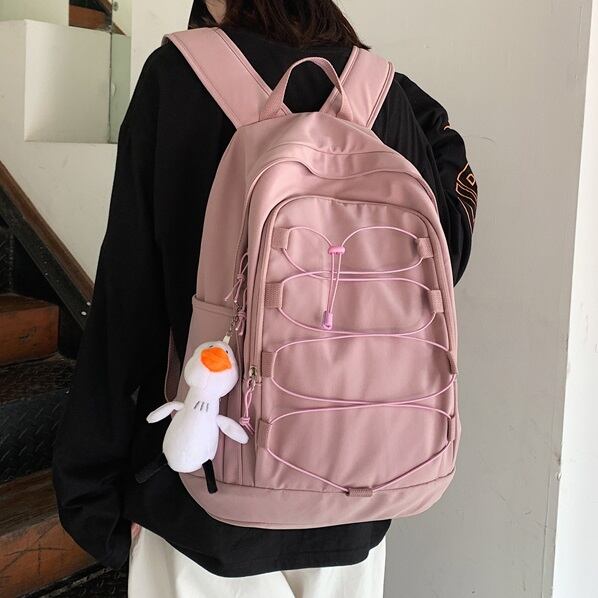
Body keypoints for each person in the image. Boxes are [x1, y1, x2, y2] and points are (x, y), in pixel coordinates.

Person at [52, 1, 478, 596]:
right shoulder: (382, 91)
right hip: (363, 491)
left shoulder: (179, 76)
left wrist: (92, 489)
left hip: (204, 494)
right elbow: (443, 260)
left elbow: (129, 303)